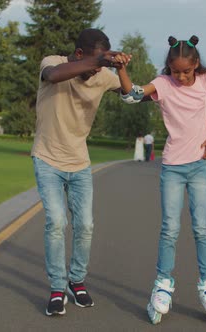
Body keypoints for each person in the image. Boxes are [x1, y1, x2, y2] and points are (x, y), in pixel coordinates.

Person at [116, 35, 206, 325]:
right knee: (170, 229)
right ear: (169, 68)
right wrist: (121, 70)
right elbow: (132, 95)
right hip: (173, 168)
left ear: (196, 65)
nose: (181, 76)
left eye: (186, 72)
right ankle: (163, 285)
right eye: (175, 71)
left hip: (199, 165)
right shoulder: (163, 84)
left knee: (202, 228)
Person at [31, 28, 130, 316]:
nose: (97, 69)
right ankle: (58, 288)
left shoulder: (102, 76)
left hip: (79, 162)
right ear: (78, 55)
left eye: (100, 64)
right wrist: (99, 60)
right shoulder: (53, 62)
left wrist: (120, 67)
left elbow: (129, 93)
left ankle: (77, 281)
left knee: (85, 225)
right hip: (47, 158)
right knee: (57, 222)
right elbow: (53, 76)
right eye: (93, 61)